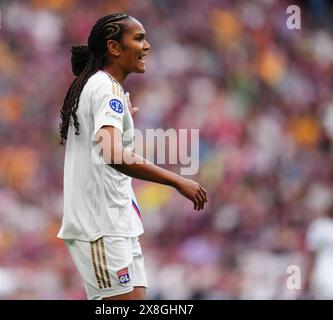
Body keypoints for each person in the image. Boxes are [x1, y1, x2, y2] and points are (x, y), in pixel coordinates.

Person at [57, 13, 208, 300]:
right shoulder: (105, 88)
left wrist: (124, 119)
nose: (147, 46)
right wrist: (177, 180)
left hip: (117, 225)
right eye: (138, 38)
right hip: (101, 227)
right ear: (114, 48)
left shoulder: (102, 87)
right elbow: (114, 155)